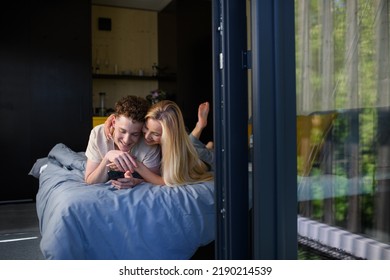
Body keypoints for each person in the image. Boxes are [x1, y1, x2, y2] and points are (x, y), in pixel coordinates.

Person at [107, 100, 213, 186]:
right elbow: (131, 115)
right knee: (191, 143)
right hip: (190, 146)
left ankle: (208, 145)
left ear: (168, 137)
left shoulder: (175, 155)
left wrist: (135, 165)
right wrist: (111, 120)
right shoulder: (153, 127)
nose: (147, 136)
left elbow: (167, 181)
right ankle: (201, 126)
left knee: (199, 151)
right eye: (146, 127)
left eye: (156, 134)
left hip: (204, 159)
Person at [84, 95, 161, 189]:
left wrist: (137, 182)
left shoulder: (148, 142)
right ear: (113, 123)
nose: (126, 140)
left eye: (135, 134)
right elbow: (90, 180)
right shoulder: (98, 134)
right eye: (122, 131)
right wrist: (107, 157)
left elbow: (155, 180)